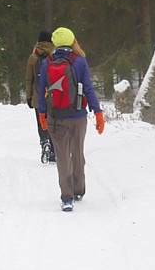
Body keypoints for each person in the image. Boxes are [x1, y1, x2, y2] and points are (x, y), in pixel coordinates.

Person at [37, 27, 105, 212]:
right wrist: (97, 112)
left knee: (62, 157)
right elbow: (88, 89)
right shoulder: (80, 61)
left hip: (56, 118)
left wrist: (42, 114)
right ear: (72, 41)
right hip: (78, 117)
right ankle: (79, 190)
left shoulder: (46, 63)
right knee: (77, 153)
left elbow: (41, 91)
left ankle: (66, 198)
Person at [25, 30, 56, 163]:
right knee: (53, 123)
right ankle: (54, 151)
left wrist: (28, 97)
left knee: (41, 122)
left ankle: (44, 143)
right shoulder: (54, 56)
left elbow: (29, 79)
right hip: (53, 96)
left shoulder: (33, 57)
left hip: (38, 97)